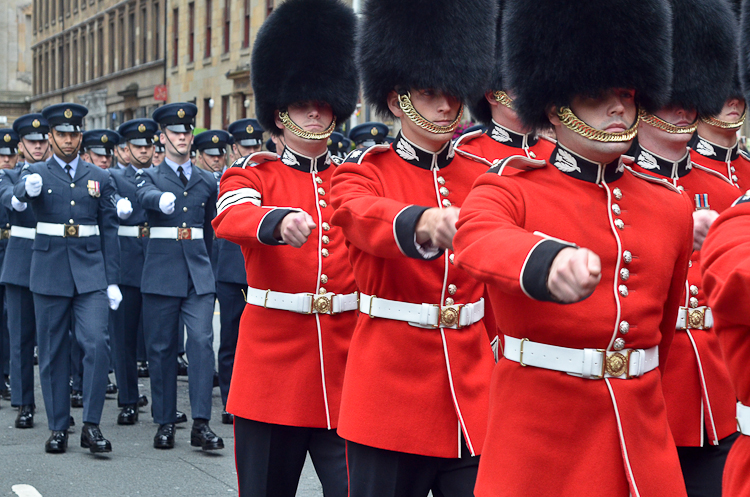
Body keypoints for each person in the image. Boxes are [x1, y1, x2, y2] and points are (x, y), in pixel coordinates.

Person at [451, 0, 695, 495]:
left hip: (641, 442)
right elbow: (476, 239)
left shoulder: (671, 207)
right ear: (556, 106)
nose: (618, 109)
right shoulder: (510, 186)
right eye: (595, 95)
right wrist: (544, 260)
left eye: (627, 95)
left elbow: (662, 335)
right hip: (542, 442)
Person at [330, 1, 497, 495]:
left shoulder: (484, 177)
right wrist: (421, 223)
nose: (447, 106)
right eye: (429, 93)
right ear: (398, 96)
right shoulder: (365, 170)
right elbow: (360, 217)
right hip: (389, 394)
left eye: (452, 93)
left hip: (470, 392)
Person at [212, 0, 359, 494]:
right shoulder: (252, 172)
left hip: (342, 374)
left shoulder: (354, 179)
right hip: (272, 374)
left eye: (323, 101)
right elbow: (233, 215)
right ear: (280, 111)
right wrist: (274, 222)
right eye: (302, 103)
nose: (315, 111)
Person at [625, 1, 740, 494]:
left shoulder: (727, 189)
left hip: (718, 384)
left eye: (687, 100)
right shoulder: (620, 188)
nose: (682, 111)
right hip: (650, 381)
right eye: (669, 99)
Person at [14, 103, 121, 454]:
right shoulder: (36, 174)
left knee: (96, 343)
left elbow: (110, 230)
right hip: (49, 272)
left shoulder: (100, 177)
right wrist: (21, 192)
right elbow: (11, 200)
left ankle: (91, 424)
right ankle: (59, 425)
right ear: (50, 136)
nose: (69, 140)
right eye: (62, 134)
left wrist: (113, 279)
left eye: (74, 134)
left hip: (90, 273)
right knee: (52, 351)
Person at [136, 102, 221, 451]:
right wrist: (160, 200)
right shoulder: (150, 176)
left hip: (197, 274)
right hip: (161, 273)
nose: (183, 137)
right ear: (162, 137)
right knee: (161, 349)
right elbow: (143, 196)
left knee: (201, 343)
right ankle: (165, 420)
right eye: (175, 132)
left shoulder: (205, 179)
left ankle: (201, 423)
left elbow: (212, 230)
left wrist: (209, 269)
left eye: (186, 132)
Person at [454, 4, 555, 166]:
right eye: (518, 85)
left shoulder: (555, 152)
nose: (529, 91)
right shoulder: (468, 155)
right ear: (493, 96)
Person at [108, 118, 160, 426]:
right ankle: (127, 399)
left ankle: (162, 404)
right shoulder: (114, 176)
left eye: (148, 145)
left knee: (157, 339)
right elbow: (106, 197)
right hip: (126, 264)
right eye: (137, 146)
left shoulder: (160, 176)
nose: (143, 151)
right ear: (126, 149)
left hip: (156, 262)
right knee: (124, 338)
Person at [2, 114, 50, 428]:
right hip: (20, 264)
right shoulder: (9, 174)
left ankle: (56, 405)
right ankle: (23, 402)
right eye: (30, 141)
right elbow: (8, 197)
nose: (36, 146)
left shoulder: (57, 174)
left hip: (51, 262)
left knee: (51, 340)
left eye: (41, 140)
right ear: (20, 145)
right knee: (20, 339)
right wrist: (23, 193)